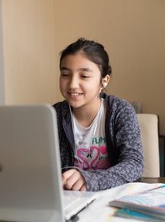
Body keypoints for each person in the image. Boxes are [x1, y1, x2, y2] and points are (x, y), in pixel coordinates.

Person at [53, 38, 144, 191]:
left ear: (104, 80)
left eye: (84, 76)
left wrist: (90, 179)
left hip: (112, 198)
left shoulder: (120, 111)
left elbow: (134, 163)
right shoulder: (53, 115)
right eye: (65, 74)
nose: (72, 84)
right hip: (70, 200)